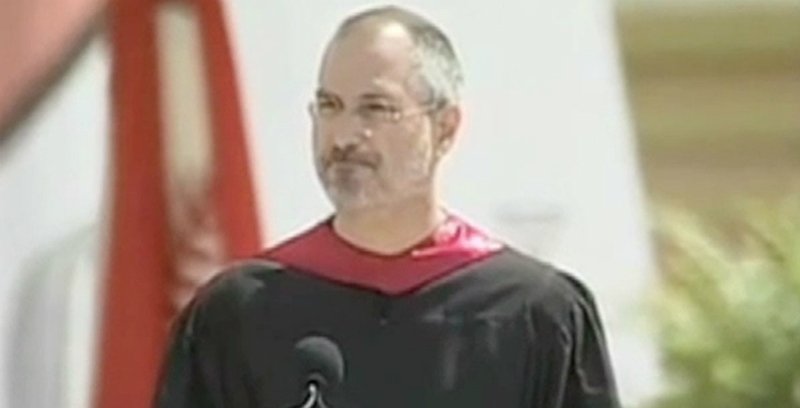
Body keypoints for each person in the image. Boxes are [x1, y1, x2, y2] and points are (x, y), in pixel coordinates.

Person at [154, 5, 620, 407]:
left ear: (445, 127)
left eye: (375, 109)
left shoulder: (535, 313)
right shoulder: (238, 315)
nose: (343, 136)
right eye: (329, 106)